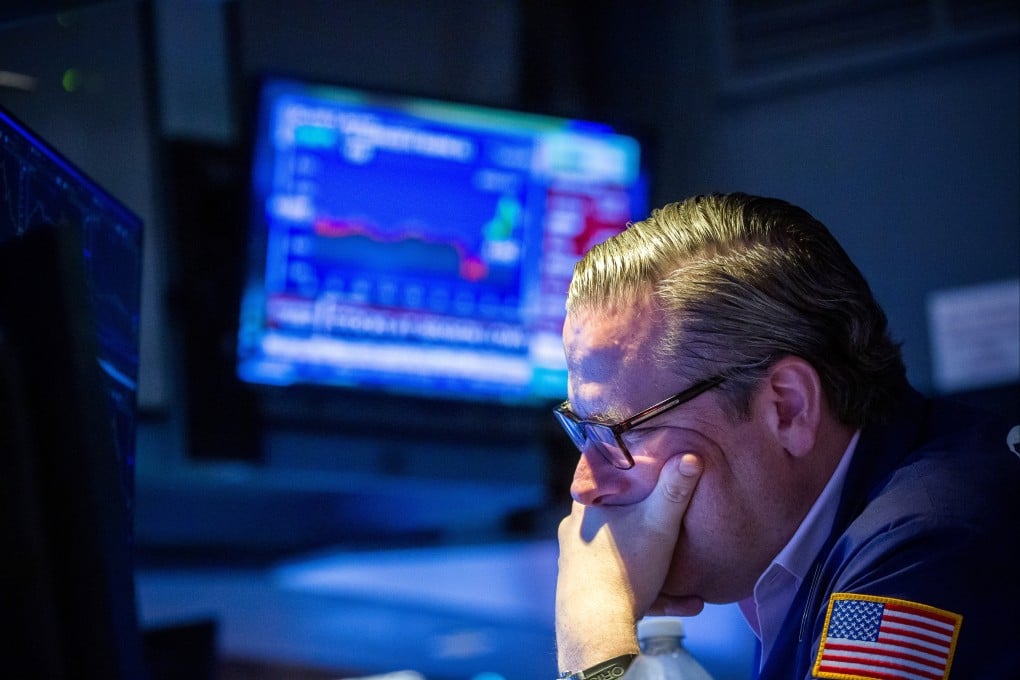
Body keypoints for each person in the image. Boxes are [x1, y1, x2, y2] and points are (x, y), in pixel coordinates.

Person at [552, 193, 1019, 680]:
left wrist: (594, 631)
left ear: (788, 407)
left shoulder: (927, 552)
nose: (584, 484)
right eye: (583, 430)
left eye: (620, 430)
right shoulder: (822, 544)